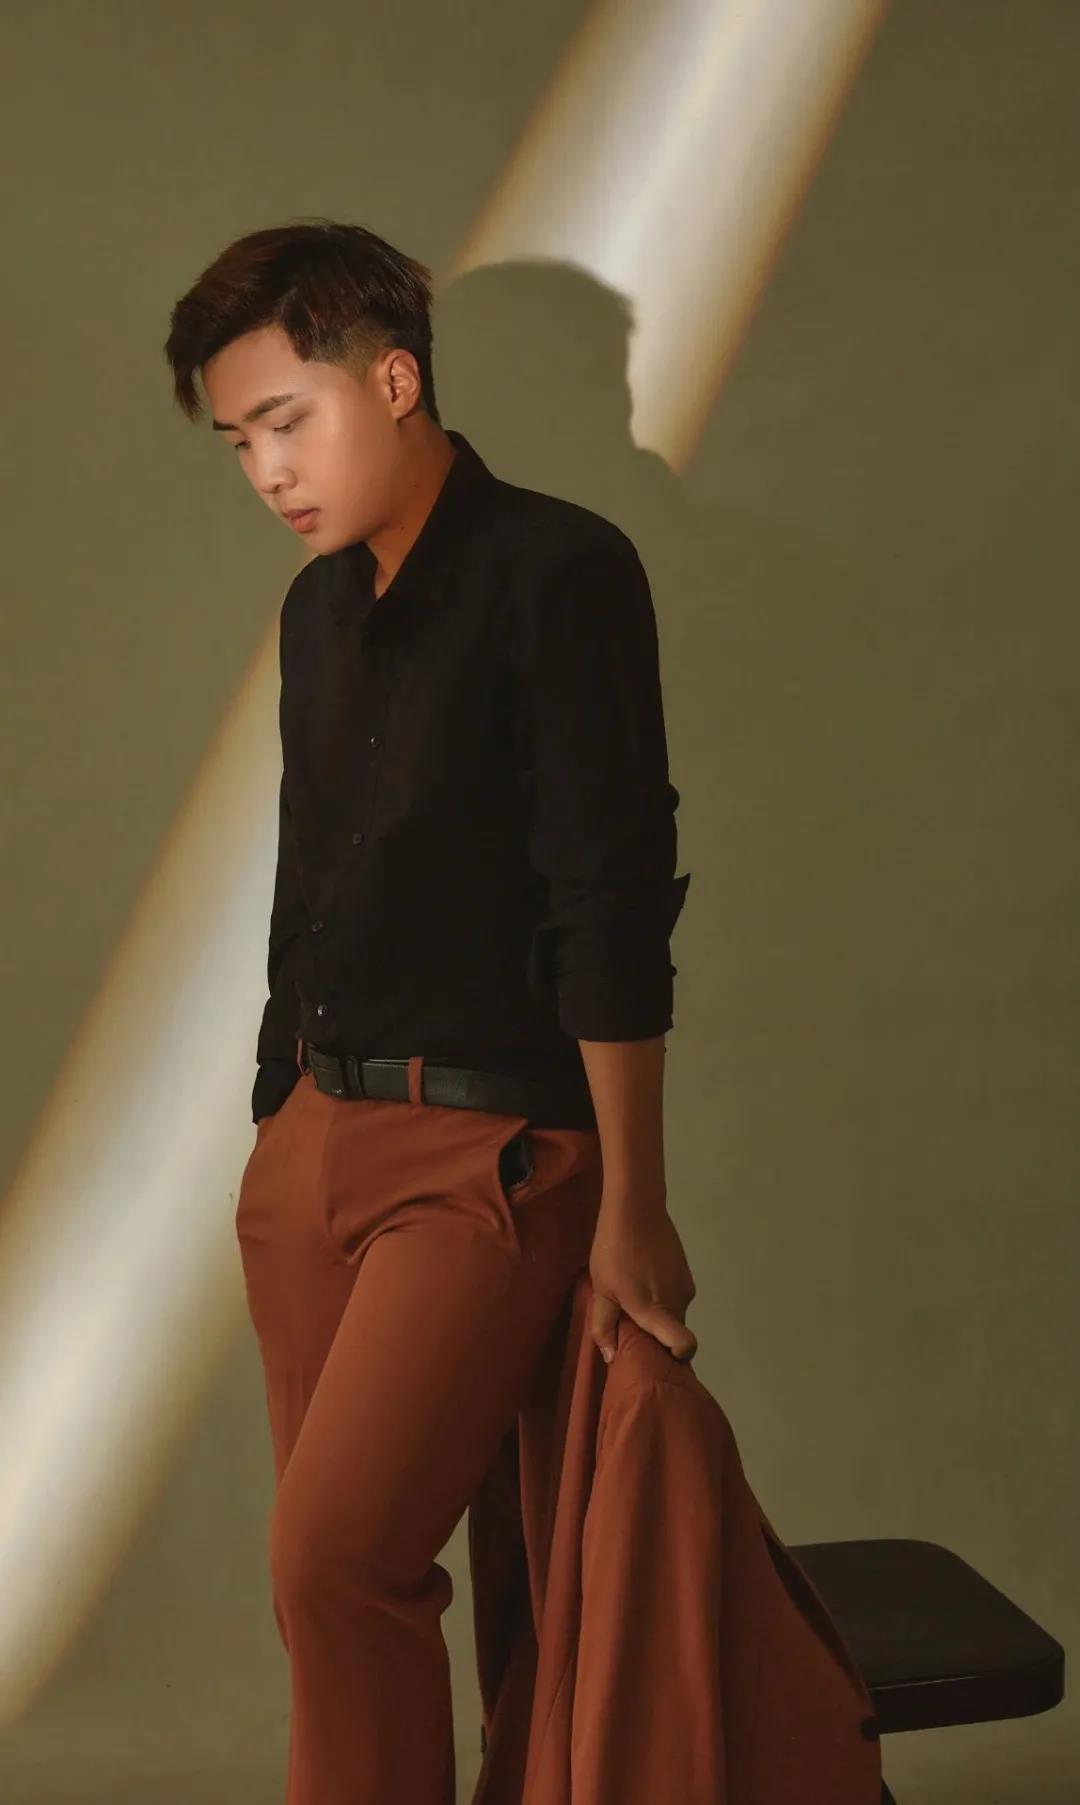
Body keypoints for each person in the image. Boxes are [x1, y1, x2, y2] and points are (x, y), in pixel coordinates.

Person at [164, 217, 695, 1804]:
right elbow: (309, 874)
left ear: (392, 380)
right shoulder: (317, 613)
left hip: (487, 1153)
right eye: (239, 443)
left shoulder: (561, 572)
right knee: (337, 1594)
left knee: (339, 1556)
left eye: (287, 420)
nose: (268, 471)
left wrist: (632, 1197)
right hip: (315, 1152)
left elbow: (609, 893)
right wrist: (279, 1111)